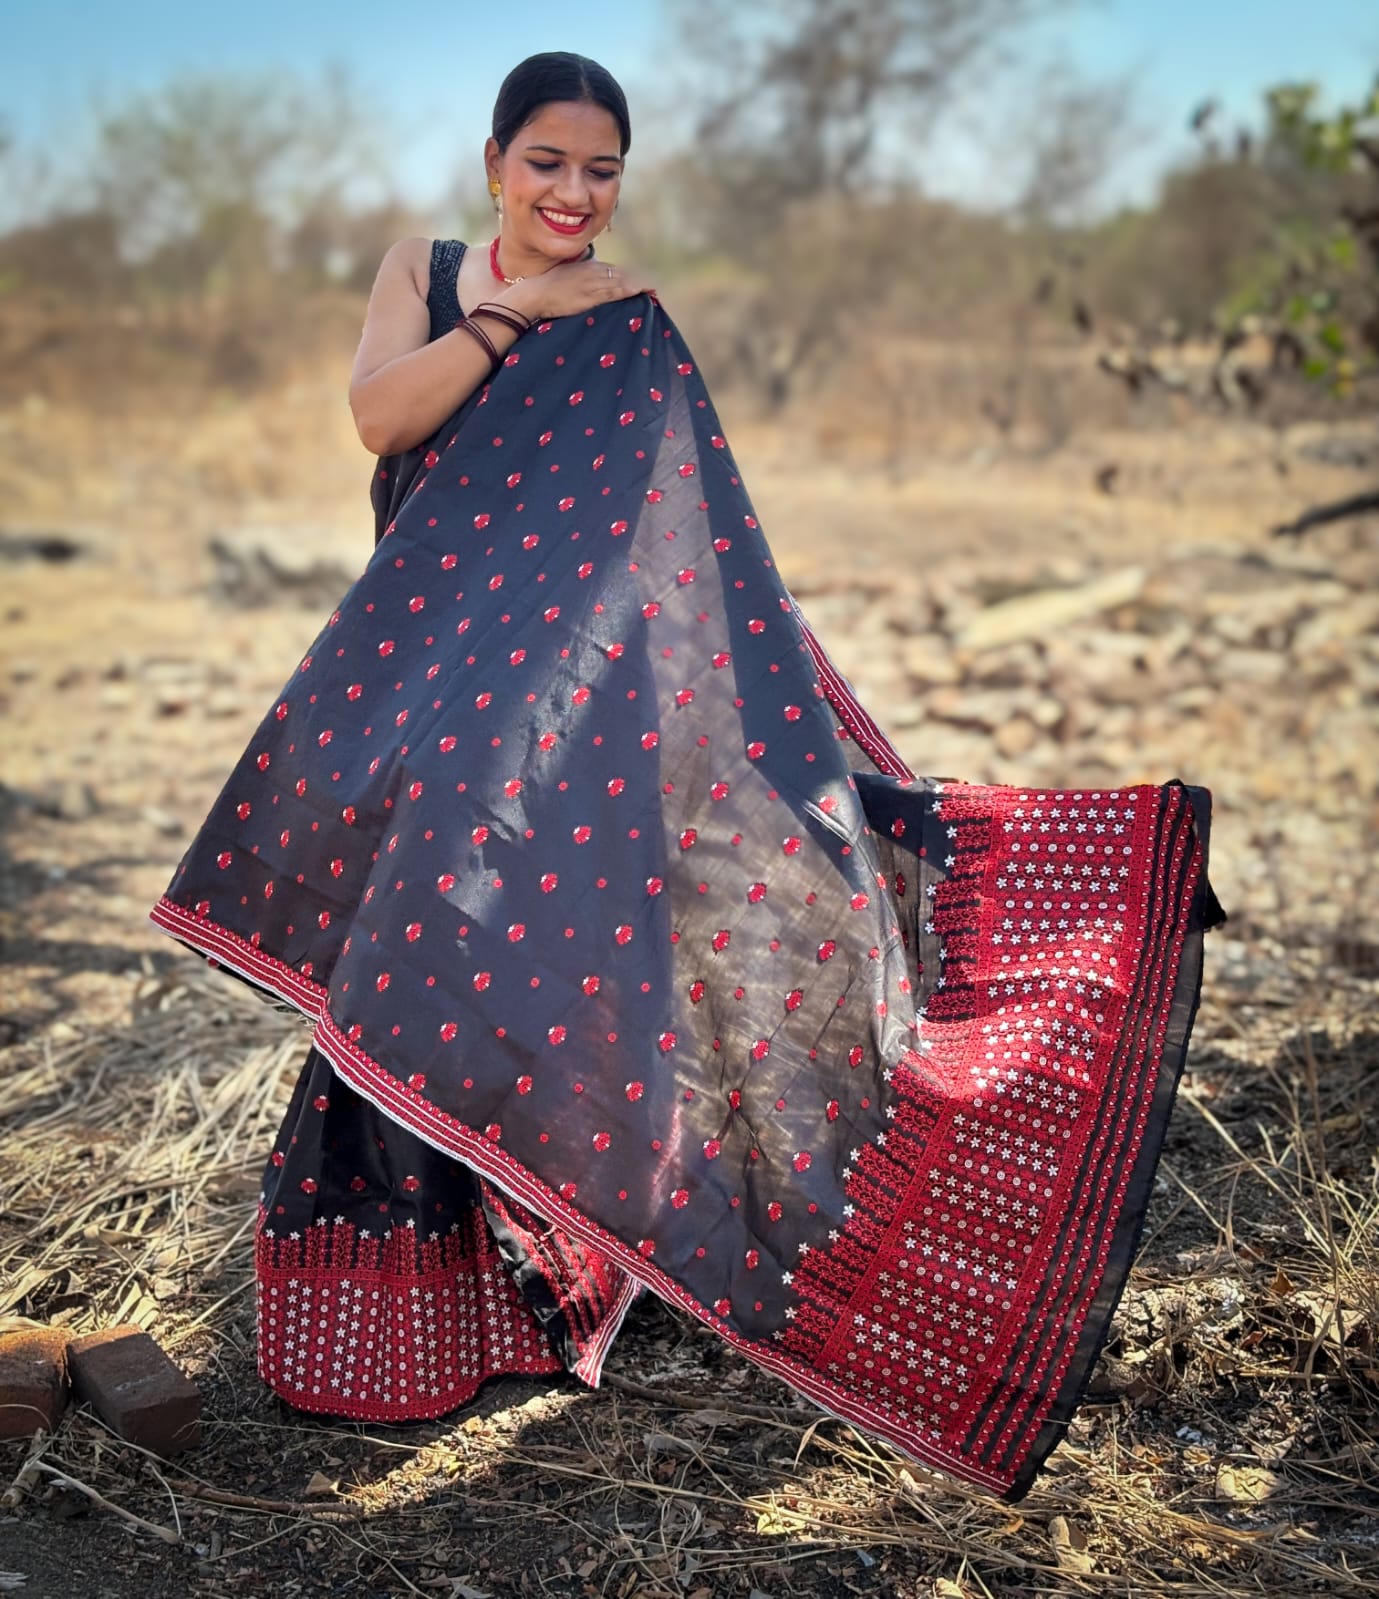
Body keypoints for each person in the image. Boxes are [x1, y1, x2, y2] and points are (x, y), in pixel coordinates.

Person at [150, 51, 1221, 1502]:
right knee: (398, 968)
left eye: (602, 172)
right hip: (424, 679)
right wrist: (513, 308)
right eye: (547, 164)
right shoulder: (434, 269)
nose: (575, 195)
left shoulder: (635, 324)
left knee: (488, 974)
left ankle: (530, 1305)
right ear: (494, 164)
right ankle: (384, 1332)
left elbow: (686, 547)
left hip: (555, 714)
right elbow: (380, 419)